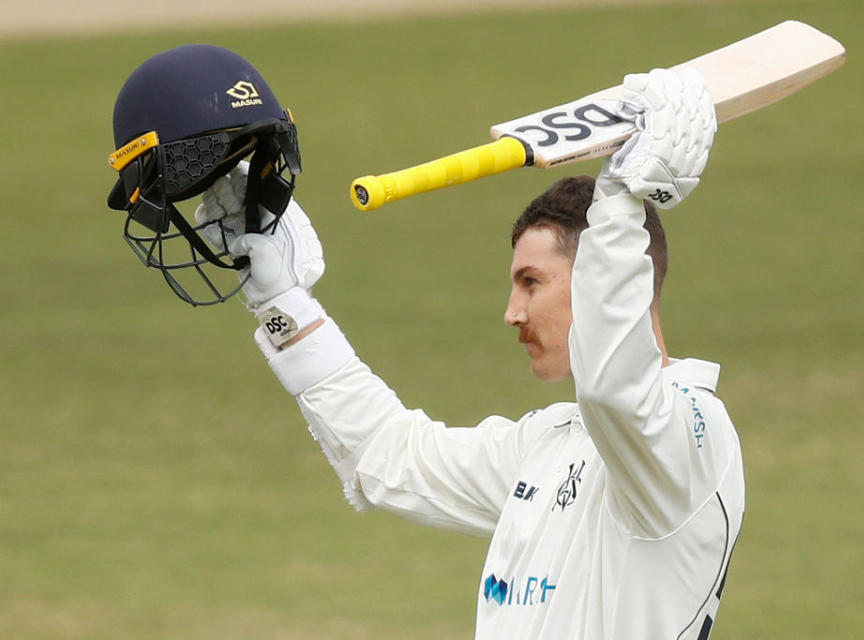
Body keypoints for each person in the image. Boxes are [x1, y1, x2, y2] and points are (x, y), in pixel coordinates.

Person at [108, 46, 744, 639]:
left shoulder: (691, 441)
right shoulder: (552, 444)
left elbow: (617, 390)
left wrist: (622, 198)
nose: (512, 313)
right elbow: (389, 457)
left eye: (532, 282)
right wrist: (280, 304)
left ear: (611, 279)